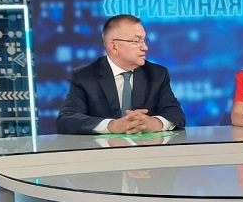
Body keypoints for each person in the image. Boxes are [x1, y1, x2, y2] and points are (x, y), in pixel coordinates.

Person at [57, 14, 186, 135]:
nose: (145, 47)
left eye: (144, 40)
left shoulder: (157, 74)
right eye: (136, 41)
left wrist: (154, 123)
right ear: (114, 47)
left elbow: (176, 114)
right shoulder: (84, 77)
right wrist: (112, 125)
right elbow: (66, 119)